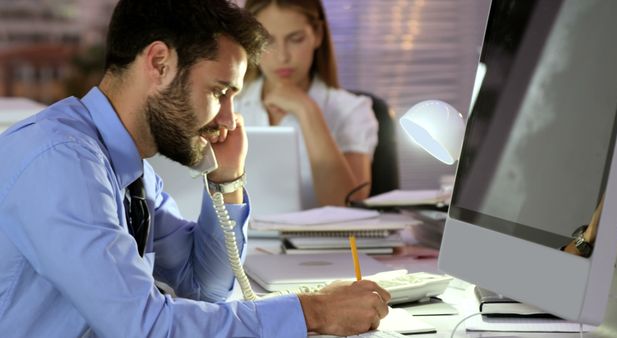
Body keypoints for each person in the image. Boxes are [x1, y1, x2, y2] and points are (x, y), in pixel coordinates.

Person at [0, 1, 390, 337]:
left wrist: (228, 179)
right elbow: (146, 328)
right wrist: (314, 311)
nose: (229, 120)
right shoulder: (60, 161)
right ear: (159, 63)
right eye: (219, 92)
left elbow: (203, 286)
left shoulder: (130, 171)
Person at [235, 0, 379, 207]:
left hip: (318, 239)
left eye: (296, 39)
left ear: (317, 35)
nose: (283, 56)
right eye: (268, 41)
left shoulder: (352, 110)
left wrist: (306, 110)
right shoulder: (227, 105)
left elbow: (349, 206)